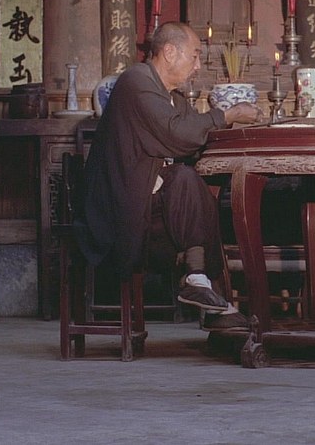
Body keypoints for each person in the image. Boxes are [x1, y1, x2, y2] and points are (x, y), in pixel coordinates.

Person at [81, 21, 262, 329]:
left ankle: (202, 285)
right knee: (183, 179)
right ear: (169, 52)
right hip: (118, 207)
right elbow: (179, 134)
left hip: (151, 205)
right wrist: (227, 115)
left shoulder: (172, 97)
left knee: (197, 189)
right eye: (194, 55)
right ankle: (204, 289)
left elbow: (194, 134)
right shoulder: (136, 81)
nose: (197, 66)